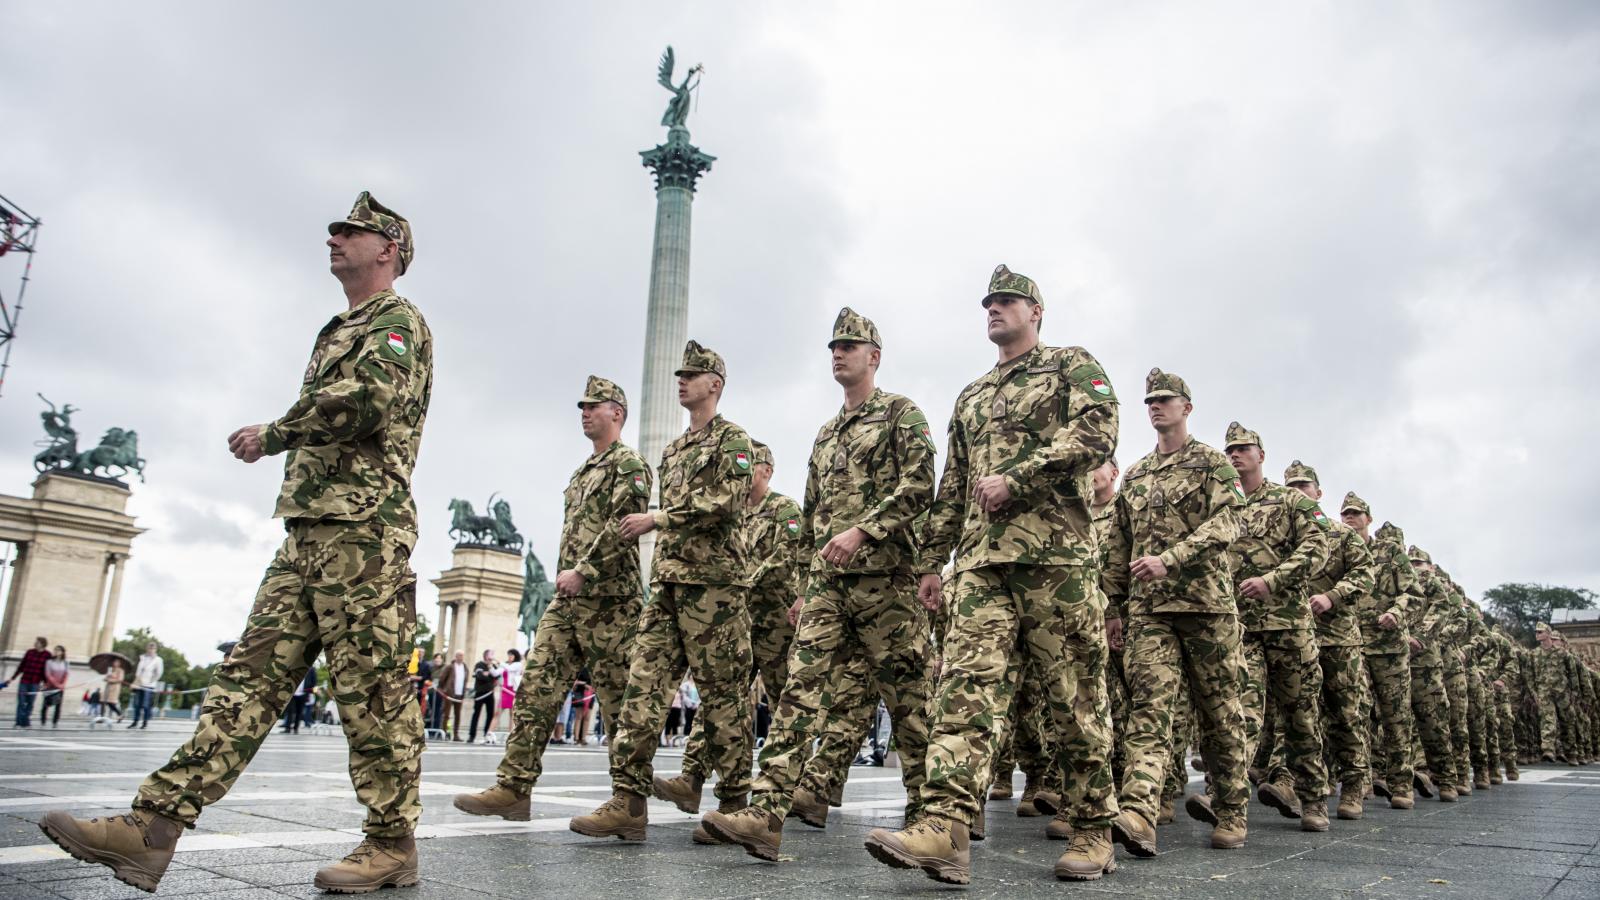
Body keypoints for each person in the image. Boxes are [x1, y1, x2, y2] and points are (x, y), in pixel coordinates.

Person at [40, 191, 431, 894]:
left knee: (373, 696)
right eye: (334, 230)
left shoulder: (398, 323)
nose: (334, 239)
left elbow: (370, 400)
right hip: (308, 537)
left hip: (363, 537)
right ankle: (152, 829)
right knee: (243, 685)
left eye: (351, 232)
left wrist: (275, 431)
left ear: (389, 249)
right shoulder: (339, 326)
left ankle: (391, 844)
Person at [864, 265, 1120, 885]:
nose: (994, 309)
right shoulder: (972, 395)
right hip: (980, 565)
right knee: (963, 691)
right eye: (988, 303)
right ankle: (944, 827)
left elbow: (1100, 430)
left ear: (1037, 311)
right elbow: (953, 484)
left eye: (1007, 301)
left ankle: (1092, 827)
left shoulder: (1070, 366)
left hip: (1055, 562)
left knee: (1074, 697)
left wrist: (1021, 476)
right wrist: (932, 560)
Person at [704, 307, 934, 860]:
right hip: (830, 586)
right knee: (798, 694)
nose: (838, 352)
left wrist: (864, 531)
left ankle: (933, 816)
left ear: (873, 357)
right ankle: (766, 813)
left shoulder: (901, 414)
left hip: (887, 583)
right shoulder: (826, 434)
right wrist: (807, 586)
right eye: (834, 345)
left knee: (909, 703)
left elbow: (921, 484)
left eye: (849, 345)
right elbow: (811, 518)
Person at [570, 341, 756, 843]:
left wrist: (660, 517)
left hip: (715, 589)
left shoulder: (734, 440)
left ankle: (736, 804)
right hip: (669, 586)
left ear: (714, 384)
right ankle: (628, 801)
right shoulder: (673, 450)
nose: (682, 380)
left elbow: (728, 501)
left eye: (692, 374)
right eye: (680, 374)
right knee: (641, 690)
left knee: (723, 699)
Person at [452, 376, 650, 822]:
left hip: (610, 604)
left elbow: (624, 525)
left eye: (592, 405)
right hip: (568, 602)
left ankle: (629, 803)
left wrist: (584, 571)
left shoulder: (630, 465)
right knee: (536, 690)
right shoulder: (582, 471)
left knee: (620, 706)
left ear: (616, 411)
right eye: (581, 406)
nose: (583, 412)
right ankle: (514, 787)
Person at [1103, 368, 1251, 856]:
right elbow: (1119, 542)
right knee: (1149, 710)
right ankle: (1139, 811)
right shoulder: (1139, 474)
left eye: (1165, 400)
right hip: (1150, 614)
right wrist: (1113, 607)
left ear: (1187, 407)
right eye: (1149, 401)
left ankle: (1231, 810)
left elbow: (1230, 521)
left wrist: (1172, 558)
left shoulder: (1212, 464)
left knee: (1219, 713)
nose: (1155, 407)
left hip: (1207, 610)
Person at [657, 437, 807, 845]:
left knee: (783, 704)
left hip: (775, 624)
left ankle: (790, 787)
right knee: (721, 699)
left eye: (754, 466)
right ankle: (693, 778)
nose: (745, 475)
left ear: (767, 471)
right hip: (737, 620)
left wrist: (743, 580)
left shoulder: (785, 510)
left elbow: (783, 559)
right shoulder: (735, 512)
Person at [1221, 423, 1331, 831]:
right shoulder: (1224, 504)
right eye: (1230, 448)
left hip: (1288, 627)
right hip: (1242, 629)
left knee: (1300, 716)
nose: (1235, 454)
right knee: (1242, 714)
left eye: (1243, 448)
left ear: (1261, 455)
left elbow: (1317, 546)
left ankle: (1314, 798)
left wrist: (1274, 579)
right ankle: (1228, 800)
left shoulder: (1290, 502)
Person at [1340, 496, 1419, 810]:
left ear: (1368, 518)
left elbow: (1412, 592)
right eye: (1345, 513)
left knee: (1395, 717)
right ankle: (1358, 785)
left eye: (1355, 513)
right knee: (1355, 716)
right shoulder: (1340, 548)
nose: (1349, 518)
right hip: (1353, 645)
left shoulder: (1390, 552)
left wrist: (1397, 614)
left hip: (1388, 649)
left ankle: (1401, 785)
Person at [8, 637, 52, 727]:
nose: (35, 643)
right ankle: (18, 722)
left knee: (30, 703)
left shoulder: (47, 655)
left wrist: (46, 682)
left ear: (42, 644)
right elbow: (21, 666)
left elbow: (46, 670)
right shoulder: (29, 652)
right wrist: (12, 678)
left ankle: (25, 721)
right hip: (24, 681)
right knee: (21, 702)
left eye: (37, 642)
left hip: (35, 682)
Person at [128, 642, 166, 730]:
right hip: (139, 684)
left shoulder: (158, 660)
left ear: (155, 649)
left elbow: (159, 673)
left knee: (145, 705)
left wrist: (151, 680)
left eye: (153, 648)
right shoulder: (143, 658)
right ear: (147, 648)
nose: (151, 650)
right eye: (149, 648)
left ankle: (145, 722)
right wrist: (136, 681)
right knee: (137, 704)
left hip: (149, 685)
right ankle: (135, 721)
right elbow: (138, 671)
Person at [467, 650, 501, 743]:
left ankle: (487, 735)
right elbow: (480, 676)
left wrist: (489, 673)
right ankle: (471, 735)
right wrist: (489, 675)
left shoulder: (493, 666)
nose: (492, 657)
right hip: (480, 693)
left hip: (490, 693)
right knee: (476, 714)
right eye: (490, 655)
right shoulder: (479, 665)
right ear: (485, 656)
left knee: (490, 714)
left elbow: (497, 676)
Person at [437, 651, 468, 740]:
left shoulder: (465, 667)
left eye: (462, 655)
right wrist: (443, 689)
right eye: (459, 655)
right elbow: (442, 678)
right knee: (446, 714)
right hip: (449, 693)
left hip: (460, 694)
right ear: (455, 656)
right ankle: (444, 733)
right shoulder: (450, 667)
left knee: (457, 715)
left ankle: (456, 734)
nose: (461, 657)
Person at [40, 645, 70, 728]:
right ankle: (43, 721)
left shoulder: (66, 662)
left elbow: (66, 674)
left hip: (60, 687)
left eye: (58, 650)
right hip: (49, 686)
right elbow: (48, 674)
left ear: (62, 652)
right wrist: (57, 684)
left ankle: (55, 721)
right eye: (55, 650)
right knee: (45, 704)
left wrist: (63, 684)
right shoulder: (49, 662)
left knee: (58, 705)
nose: (56, 652)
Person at [282, 667, 317, 734]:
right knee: (290, 710)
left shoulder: (311, 669)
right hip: (292, 693)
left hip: (303, 694)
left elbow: (314, 682)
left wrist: (311, 693)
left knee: (299, 712)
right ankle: (287, 728)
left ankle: (296, 728)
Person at [424, 652, 445, 732]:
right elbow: (428, 678)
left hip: (440, 692)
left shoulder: (445, 668)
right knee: (432, 709)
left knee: (438, 710)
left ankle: (436, 728)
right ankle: (431, 727)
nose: (438, 660)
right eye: (436, 658)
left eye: (440, 658)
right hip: (432, 691)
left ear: (442, 660)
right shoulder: (431, 668)